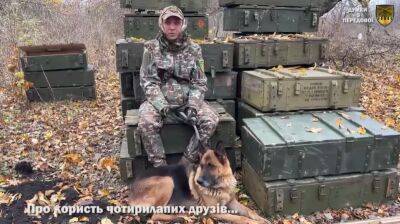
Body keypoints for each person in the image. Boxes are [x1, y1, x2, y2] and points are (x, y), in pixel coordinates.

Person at [138, 6, 219, 167]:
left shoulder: (194, 49)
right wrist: (161, 106)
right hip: (160, 104)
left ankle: (187, 162)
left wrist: (193, 106)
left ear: (183, 24)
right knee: (146, 122)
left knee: (211, 120)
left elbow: (199, 82)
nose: (172, 27)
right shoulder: (151, 49)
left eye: (176, 22)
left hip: (186, 103)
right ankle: (160, 167)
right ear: (162, 24)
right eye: (168, 22)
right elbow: (148, 82)